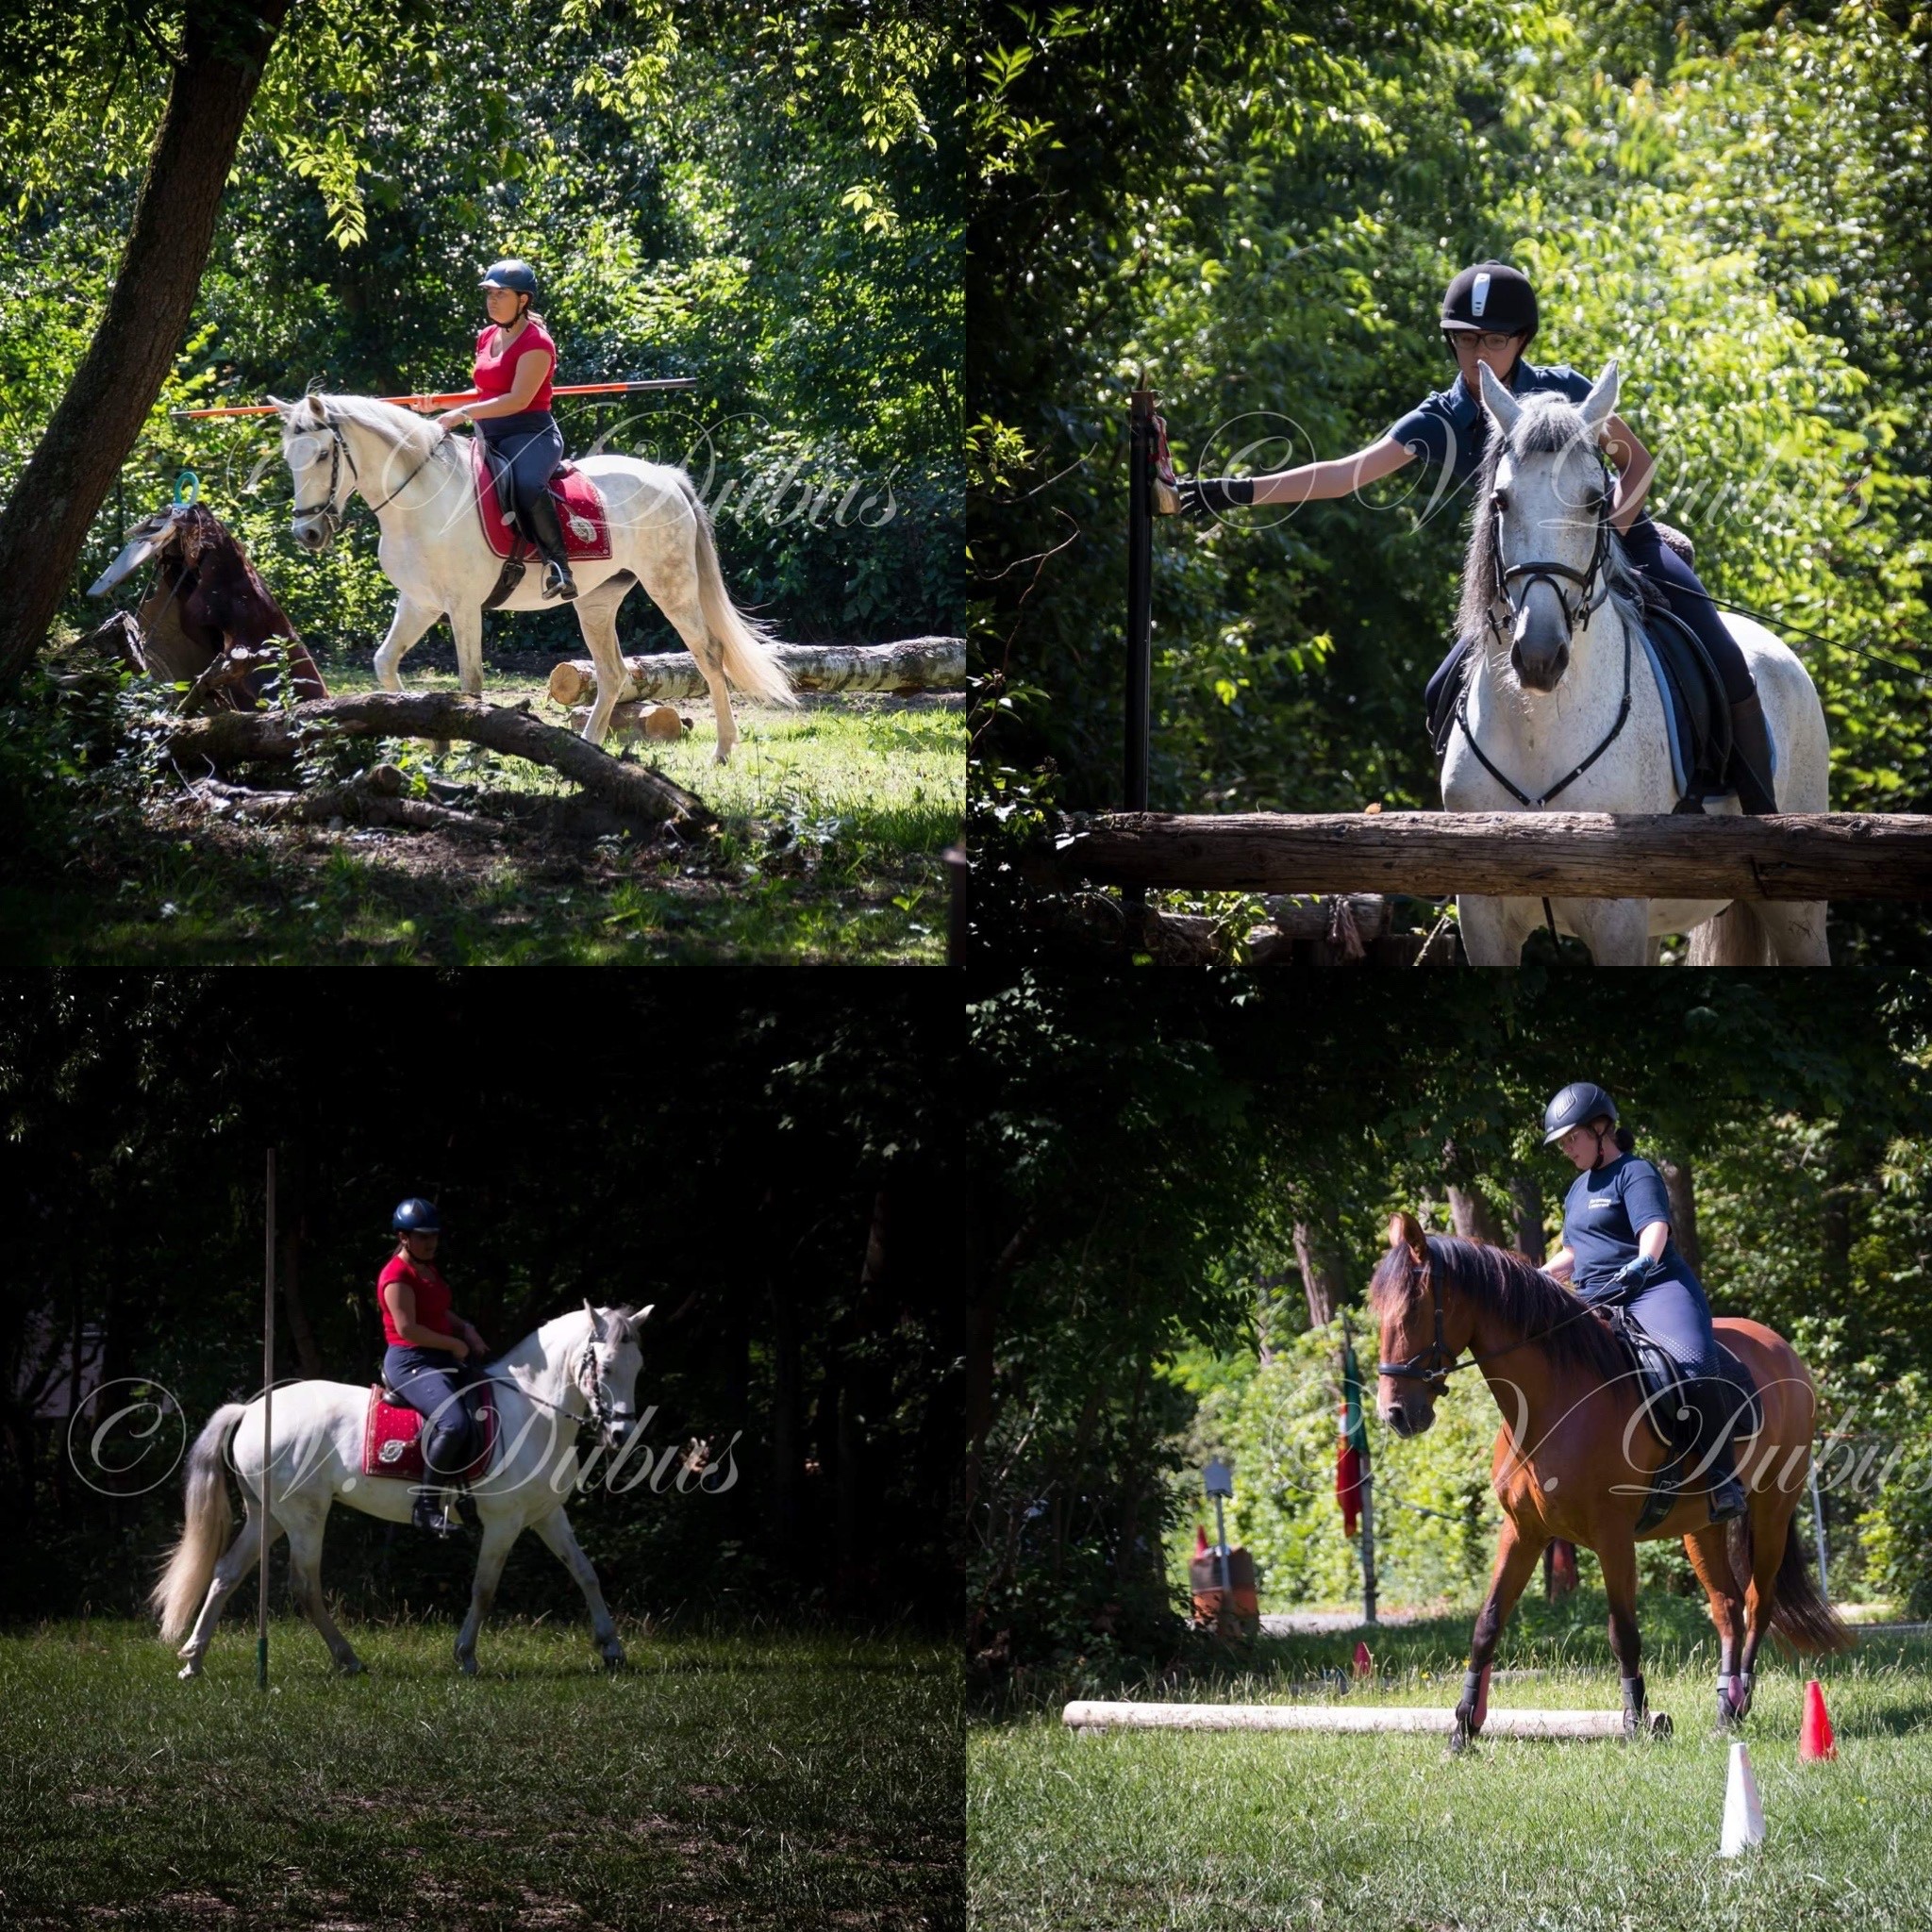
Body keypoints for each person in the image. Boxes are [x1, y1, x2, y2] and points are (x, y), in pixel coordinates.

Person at [1178, 259, 1776, 811]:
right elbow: (1342, 475)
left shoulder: (1566, 393)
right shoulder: (1441, 418)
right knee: (1441, 690)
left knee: (1722, 656)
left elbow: (1638, 466)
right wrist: (1224, 490)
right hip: (1521, 575)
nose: (1478, 352)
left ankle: (1760, 814)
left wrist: (1609, 537)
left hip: (1620, 543)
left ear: (1521, 340)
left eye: (1494, 339)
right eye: (1466, 338)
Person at [1538, 1082, 1747, 1523]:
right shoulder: (1577, 1190)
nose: (1566, 1149)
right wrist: (1537, 1278)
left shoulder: (1636, 1173)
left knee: (1692, 1362)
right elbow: (1574, 1251)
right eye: (1561, 1143)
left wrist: (1642, 1262)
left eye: (1571, 1138)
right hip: (1596, 1296)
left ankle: (1723, 1479)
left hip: (1654, 1287)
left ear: (1600, 1128)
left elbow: (1653, 1227)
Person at [436, 258, 577, 600]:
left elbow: (517, 399)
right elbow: (485, 392)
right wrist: (440, 402)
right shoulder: (486, 336)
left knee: (528, 485)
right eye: (489, 294)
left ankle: (559, 567)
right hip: (489, 435)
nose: (492, 301)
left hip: (530, 435)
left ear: (523, 300)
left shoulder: (537, 343)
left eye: (501, 294)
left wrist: (461, 414)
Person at [378, 1198, 492, 1536]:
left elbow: (440, 1313)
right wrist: (455, 1344)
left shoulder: (428, 1269)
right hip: (410, 1360)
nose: (431, 1243)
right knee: (454, 1423)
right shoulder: (396, 1275)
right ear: (403, 1237)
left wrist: (466, 1329)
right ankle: (425, 1507)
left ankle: (469, 1494)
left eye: (434, 1236)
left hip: (438, 1356)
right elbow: (408, 1329)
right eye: (423, 1236)